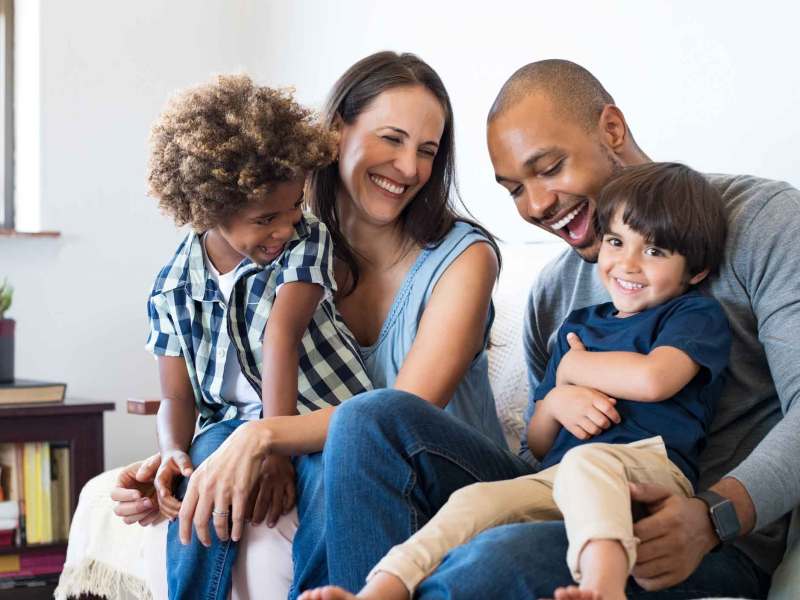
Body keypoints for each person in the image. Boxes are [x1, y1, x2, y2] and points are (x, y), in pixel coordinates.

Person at [308, 59, 800, 599]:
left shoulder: (761, 221)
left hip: (696, 537)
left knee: (492, 561)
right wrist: (553, 408)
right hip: (569, 497)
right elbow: (543, 460)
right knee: (369, 419)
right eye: (514, 189)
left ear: (611, 130)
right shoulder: (555, 292)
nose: (537, 205)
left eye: (549, 168)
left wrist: (713, 517)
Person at [108, 51, 506, 600]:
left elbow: (394, 418)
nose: (411, 168)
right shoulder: (282, 249)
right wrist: (187, 459)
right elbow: (227, 380)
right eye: (392, 139)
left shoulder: (464, 259)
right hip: (337, 459)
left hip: (447, 475)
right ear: (337, 132)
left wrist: (262, 437)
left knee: (356, 438)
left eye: (428, 152)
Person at [298, 161, 731, 600]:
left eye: (655, 252)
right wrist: (556, 403)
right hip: (560, 477)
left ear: (694, 272)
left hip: (648, 472)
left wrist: (572, 370)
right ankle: (379, 590)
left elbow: (656, 380)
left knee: (588, 464)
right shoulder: (578, 326)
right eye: (617, 242)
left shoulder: (692, 314)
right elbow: (540, 442)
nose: (628, 264)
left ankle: (604, 587)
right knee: (474, 502)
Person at [142, 74, 374, 599]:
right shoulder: (172, 287)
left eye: (294, 208)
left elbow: (281, 337)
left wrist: (272, 447)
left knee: (328, 479)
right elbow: (176, 395)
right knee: (201, 472)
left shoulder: (305, 240)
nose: (286, 228)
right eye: (266, 218)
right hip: (230, 427)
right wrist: (172, 451)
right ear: (208, 209)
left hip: (319, 416)